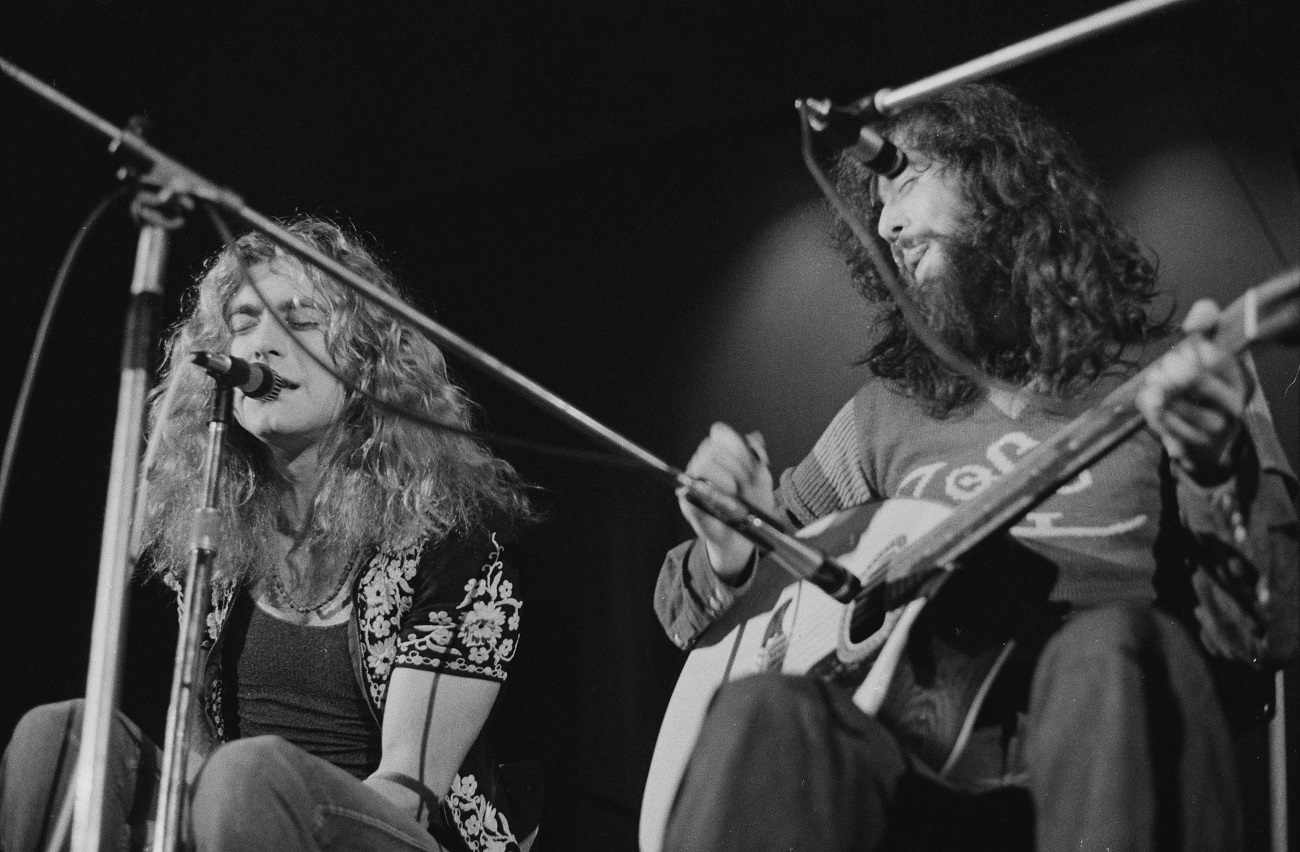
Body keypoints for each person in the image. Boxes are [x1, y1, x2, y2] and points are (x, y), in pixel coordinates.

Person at [654, 84, 1299, 852]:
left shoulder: (1180, 377)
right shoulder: (881, 415)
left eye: (907, 178)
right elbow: (687, 609)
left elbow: (1275, 624)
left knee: (1104, 652)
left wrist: (1219, 464)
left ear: (1004, 191)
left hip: (1105, 746)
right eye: (878, 205)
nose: (886, 222)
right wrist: (728, 557)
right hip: (924, 778)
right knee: (765, 709)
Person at [0, 217, 538, 852]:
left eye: (301, 321)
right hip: (239, 814)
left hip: (397, 831)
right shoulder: (211, 522)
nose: (262, 345)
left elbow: (409, 793)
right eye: (245, 320)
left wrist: (254, 792)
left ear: (365, 359)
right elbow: (196, 754)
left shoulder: (450, 533)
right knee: (60, 735)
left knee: (247, 772)